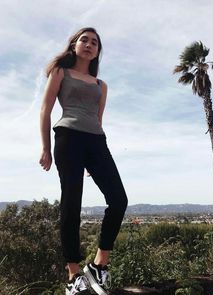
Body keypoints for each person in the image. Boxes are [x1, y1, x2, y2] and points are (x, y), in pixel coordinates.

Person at [39, 27, 128, 295]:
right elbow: (45, 109)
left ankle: (99, 265)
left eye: (94, 42)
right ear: (74, 45)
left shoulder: (101, 86)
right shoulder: (61, 72)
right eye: (84, 40)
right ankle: (73, 275)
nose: (89, 44)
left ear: (98, 51)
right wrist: (45, 148)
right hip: (68, 138)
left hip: (96, 142)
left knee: (119, 199)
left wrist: (96, 158)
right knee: (72, 203)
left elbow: (98, 120)